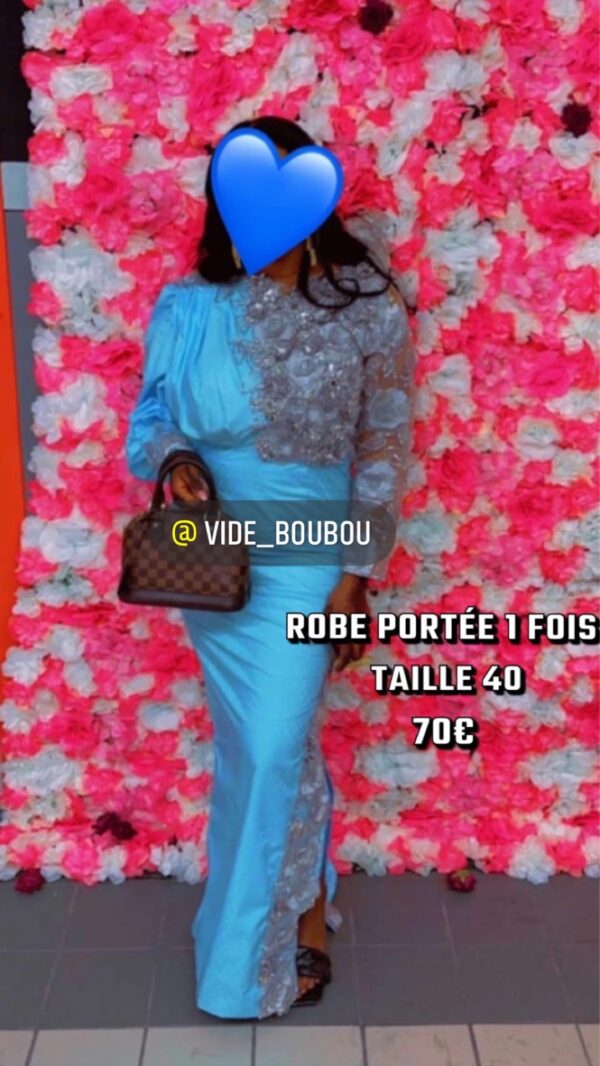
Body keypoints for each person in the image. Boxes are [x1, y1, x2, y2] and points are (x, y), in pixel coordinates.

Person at [125, 115, 416, 1019]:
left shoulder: (369, 308)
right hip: (215, 562)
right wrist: (176, 459)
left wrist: (356, 576)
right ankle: (288, 916)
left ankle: (284, 936)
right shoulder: (188, 306)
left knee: (274, 743)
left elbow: (383, 448)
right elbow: (149, 424)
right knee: (259, 750)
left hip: (313, 560)